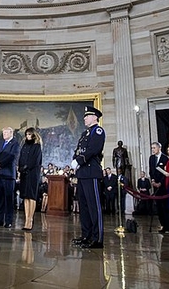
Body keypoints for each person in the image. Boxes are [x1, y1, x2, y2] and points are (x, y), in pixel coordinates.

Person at [71, 106, 105, 249]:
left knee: (93, 207)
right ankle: (86, 236)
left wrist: (79, 161)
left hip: (92, 173)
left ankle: (97, 239)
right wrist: (75, 160)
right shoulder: (85, 133)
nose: (84, 118)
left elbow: (93, 149)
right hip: (83, 173)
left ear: (95, 117)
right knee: (84, 207)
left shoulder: (98, 131)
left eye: (87, 116)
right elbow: (78, 150)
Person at [0, 127, 20, 228]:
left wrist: (0, 163)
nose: (4, 134)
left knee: (8, 198)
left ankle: (8, 221)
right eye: (3, 132)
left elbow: (11, 156)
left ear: (11, 133)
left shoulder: (15, 144)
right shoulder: (0, 144)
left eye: (6, 132)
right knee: (0, 198)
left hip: (8, 174)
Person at [18, 127, 43, 230]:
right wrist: (20, 168)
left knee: (31, 196)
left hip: (33, 173)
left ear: (33, 135)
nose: (27, 136)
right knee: (25, 196)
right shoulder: (24, 146)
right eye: (26, 134)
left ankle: (30, 219)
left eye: (29, 134)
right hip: (24, 173)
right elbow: (21, 158)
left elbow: (35, 160)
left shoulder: (37, 146)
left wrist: (27, 167)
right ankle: (26, 219)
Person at [149, 141, 169, 233]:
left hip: (164, 186)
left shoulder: (165, 158)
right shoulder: (151, 158)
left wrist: (160, 182)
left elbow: (167, 172)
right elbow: (151, 171)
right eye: (151, 148)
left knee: (166, 206)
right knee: (159, 206)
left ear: (159, 148)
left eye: (154, 148)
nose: (152, 149)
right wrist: (152, 180)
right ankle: (163, 225)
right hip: (155, 185)